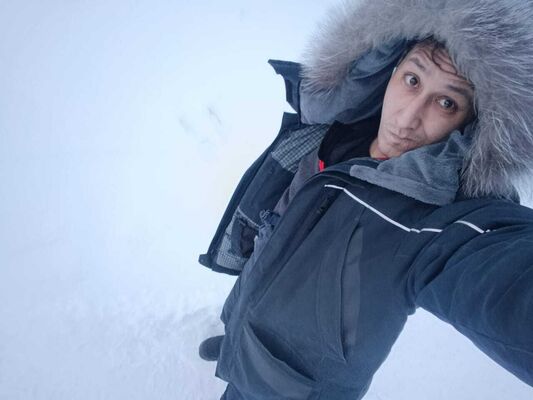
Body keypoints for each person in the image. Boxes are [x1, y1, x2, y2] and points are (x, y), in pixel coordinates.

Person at [198, 0, 533, 398]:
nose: (407, 119)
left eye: (447, 103)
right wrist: (239, 327)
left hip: (285, 388)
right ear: (390, 70)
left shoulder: (434, 220)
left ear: (471, 126)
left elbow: (504, 277)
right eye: (412, 80)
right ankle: (236, 341)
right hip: (249, 318)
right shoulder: (336, 130)